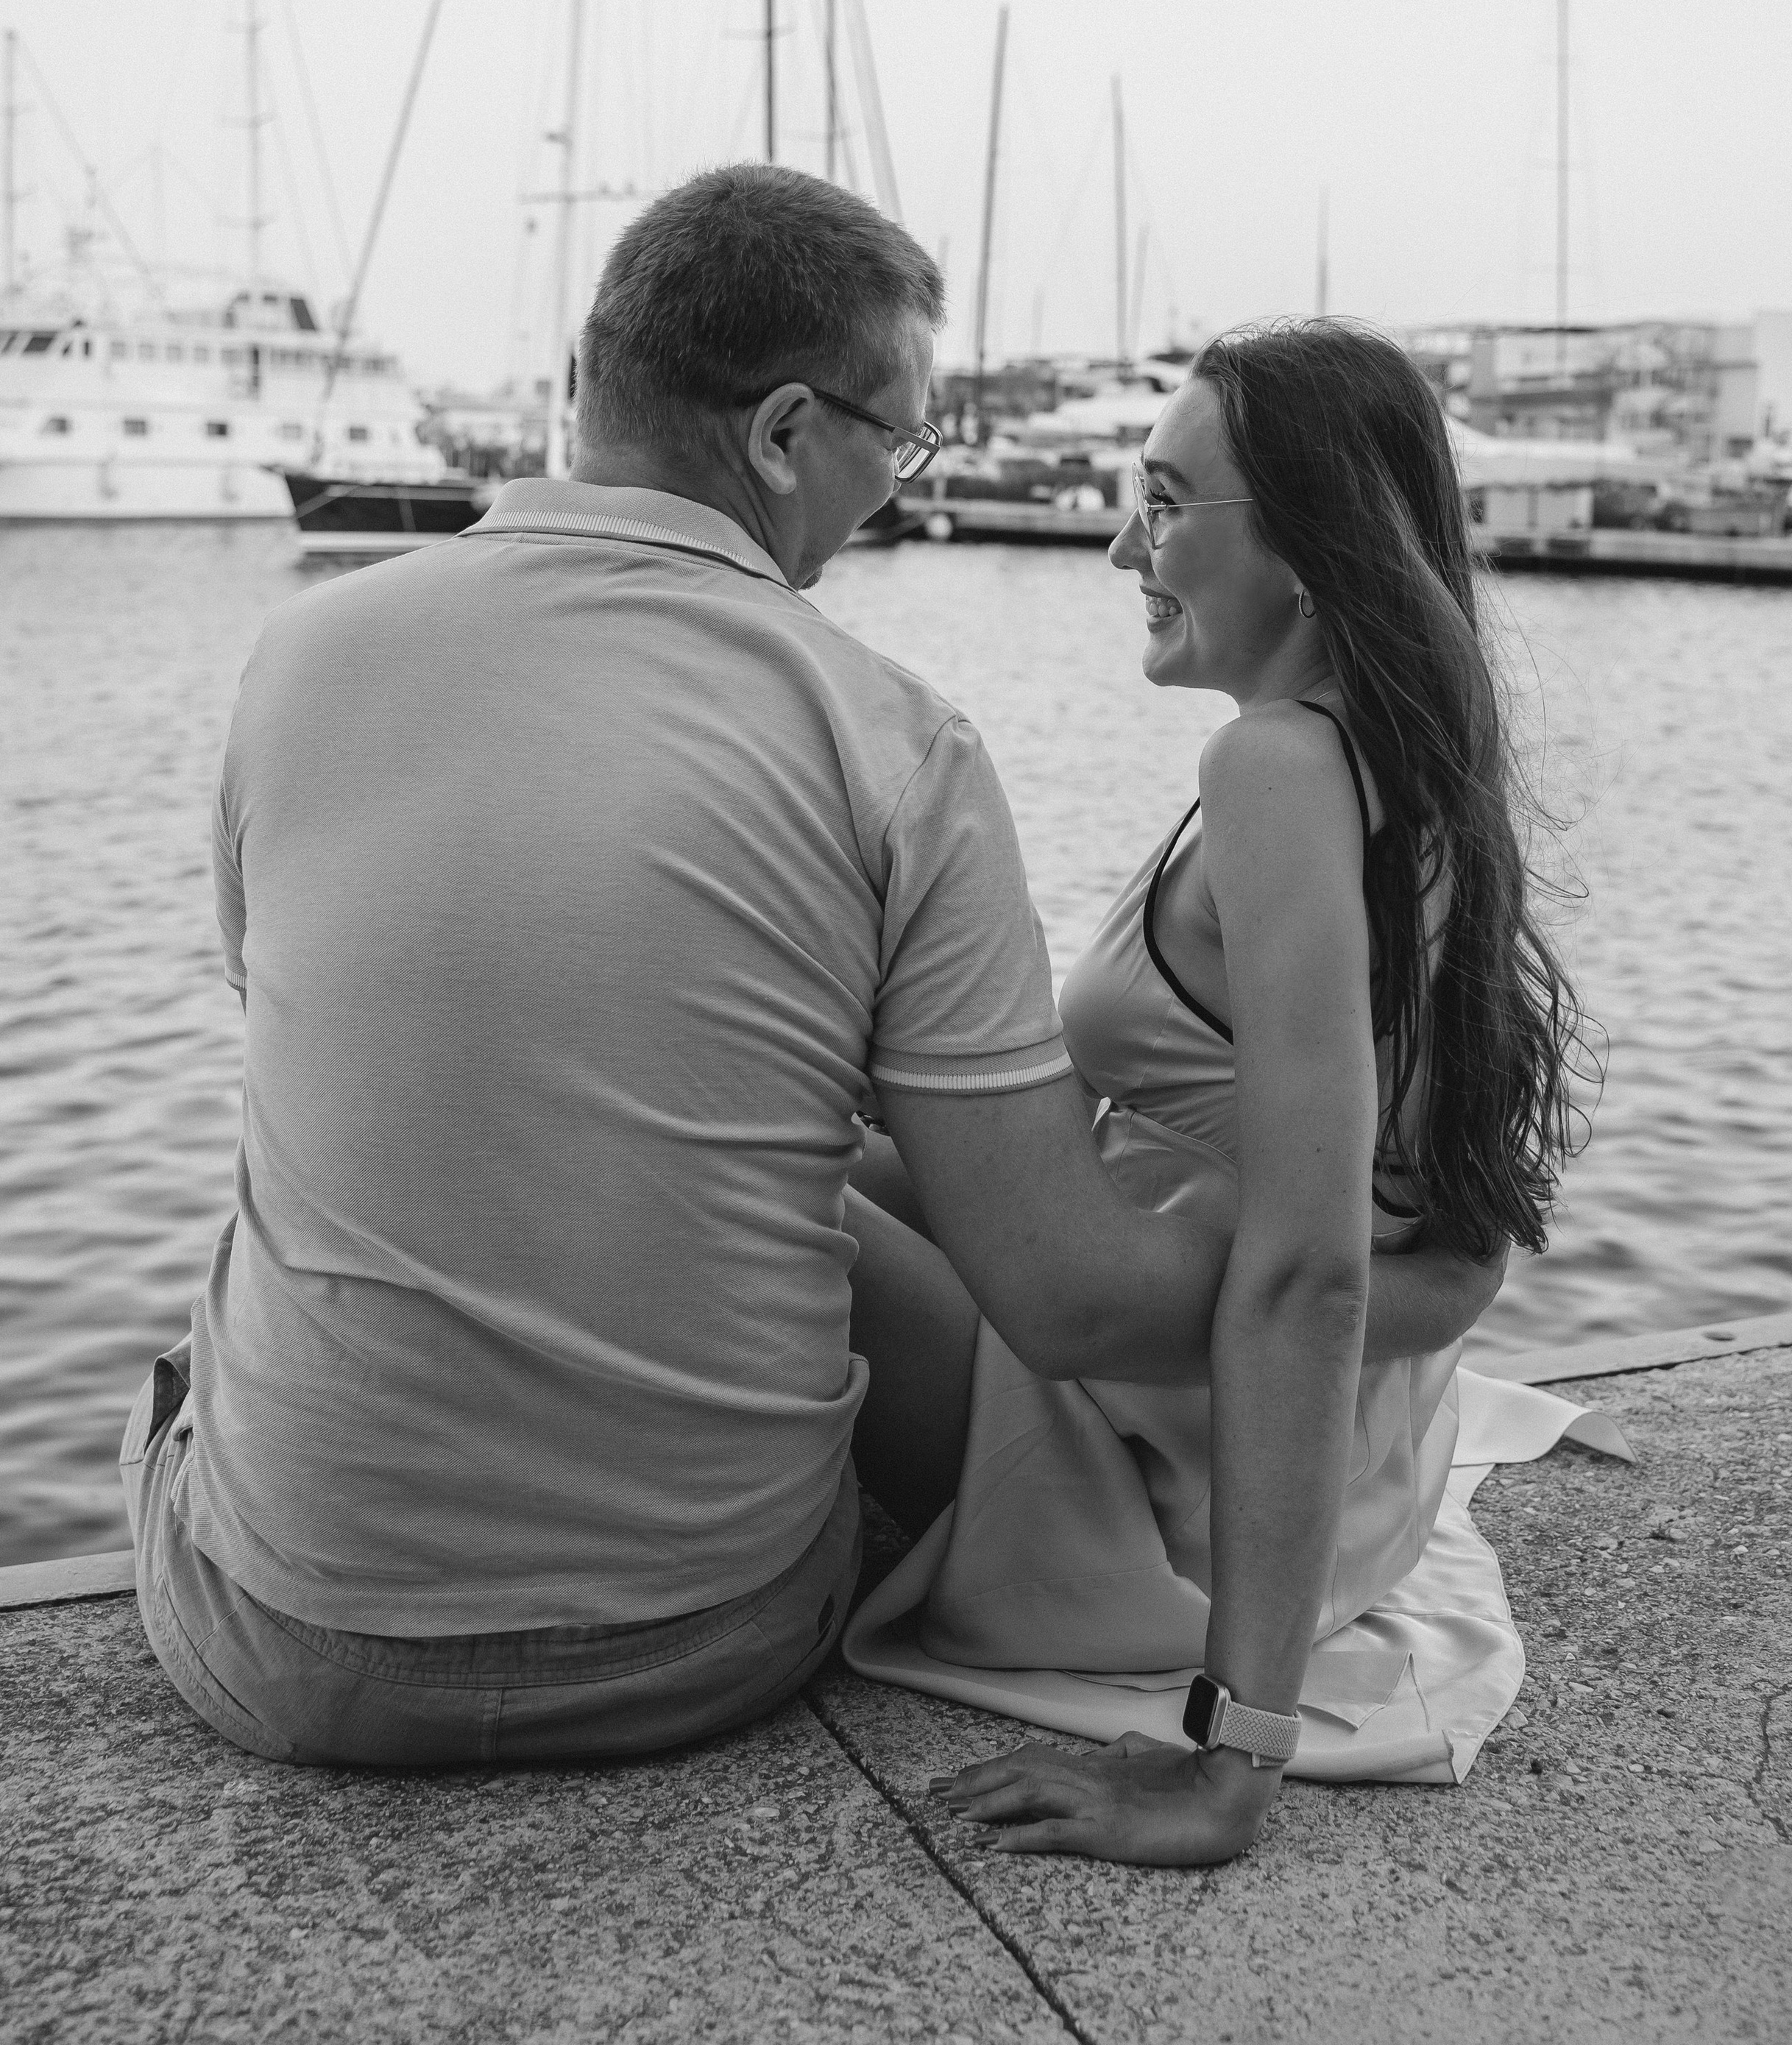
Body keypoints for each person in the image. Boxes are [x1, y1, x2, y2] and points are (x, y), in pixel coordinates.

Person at [121, 174, 1502, 1772]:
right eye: (895, 448)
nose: (896, 498)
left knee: (207, 1349)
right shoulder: (890, 737)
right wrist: (1418, 1289)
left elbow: (309, 1019)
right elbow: (1060, 1272)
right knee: (751, 1174)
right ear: (784, 435)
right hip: (713, 1639)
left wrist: (1369, 1292)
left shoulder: (297, 658)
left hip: (282, 1662)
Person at [843, 320, 1585, 1867]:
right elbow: (1422, 1227)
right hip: (1325, 1459)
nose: (1122, 543)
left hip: (1166, 1498)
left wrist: (1227, 1756)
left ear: (1312, 549)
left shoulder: (1273, 773)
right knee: (813, 1147)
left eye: (1168, 504)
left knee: (743, 1199)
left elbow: (1315, 1262)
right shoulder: (1394, 759)